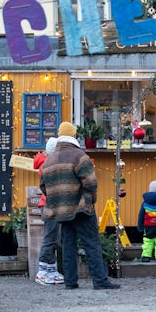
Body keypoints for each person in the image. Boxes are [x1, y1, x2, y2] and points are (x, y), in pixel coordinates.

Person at [39, 122, 120, 290]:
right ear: (74, 136)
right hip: (81, 208)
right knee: (91, 242)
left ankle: (70, 281)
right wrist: (90, 202)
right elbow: (91, 183)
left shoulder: (49, 160)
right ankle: (100, 280)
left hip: (61, 211)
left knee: (68, 244)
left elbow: (43, 187)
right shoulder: (79, 156)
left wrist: (58, 201)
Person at [33, 137, 64, 285]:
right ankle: (43, 271)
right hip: (50, 205)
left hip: (48, 204)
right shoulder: (48, 164)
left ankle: (50, 270)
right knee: (50, 238)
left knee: (53, 238)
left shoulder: (44, 162)